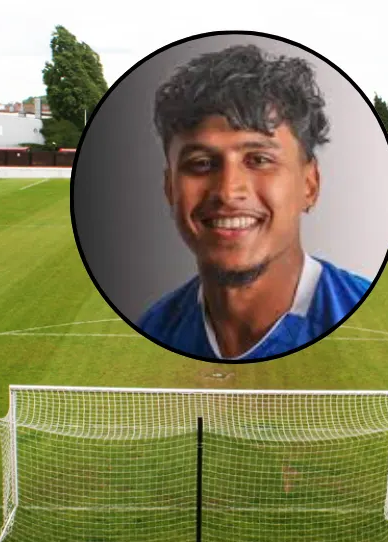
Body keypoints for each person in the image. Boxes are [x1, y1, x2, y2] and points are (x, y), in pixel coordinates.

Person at [137, 44, 371, 361]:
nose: (228, 192)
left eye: (259, 159)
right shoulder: (155, 328)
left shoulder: (363, 316)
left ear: (310, 184)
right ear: (170, 188)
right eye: (201, 163)